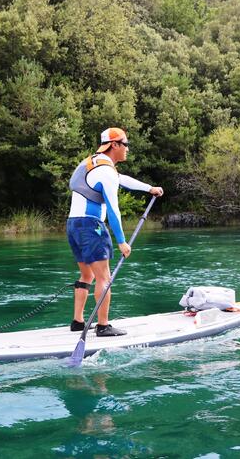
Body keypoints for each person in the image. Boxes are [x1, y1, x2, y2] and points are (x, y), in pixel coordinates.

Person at [67, 127, 163, 336]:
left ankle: (78, 322)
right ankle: (103, 326)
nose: (128, 149)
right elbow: (113, 209)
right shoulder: (106, 171)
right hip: (91, 227)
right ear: (115, 145)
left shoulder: (93, 163)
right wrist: (121, 241)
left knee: (87, 274)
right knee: (104, 277)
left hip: (73, 225)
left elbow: (122, 179)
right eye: (125, 144)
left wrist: (149, 189)